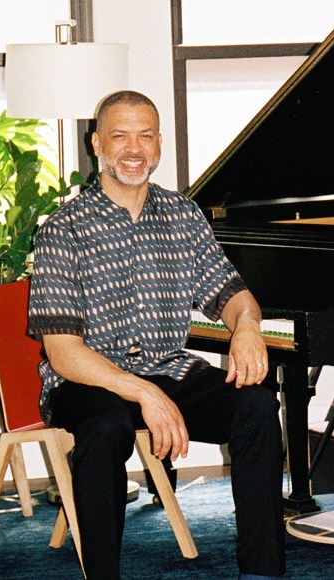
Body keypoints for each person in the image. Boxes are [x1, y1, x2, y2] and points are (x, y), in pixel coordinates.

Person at [27, 90, 286, 580]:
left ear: (159, 143)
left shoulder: (184, 216)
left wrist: (247, 325)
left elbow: (232, 293)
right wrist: (142, 391)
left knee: (256, 405)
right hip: (88, 382)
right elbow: (63, 353)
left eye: (145, 135)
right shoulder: (63, 229)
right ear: (96, 143)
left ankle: (263, 572)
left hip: (168, 367)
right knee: (107, 429)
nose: (134, 148)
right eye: (120, 135)